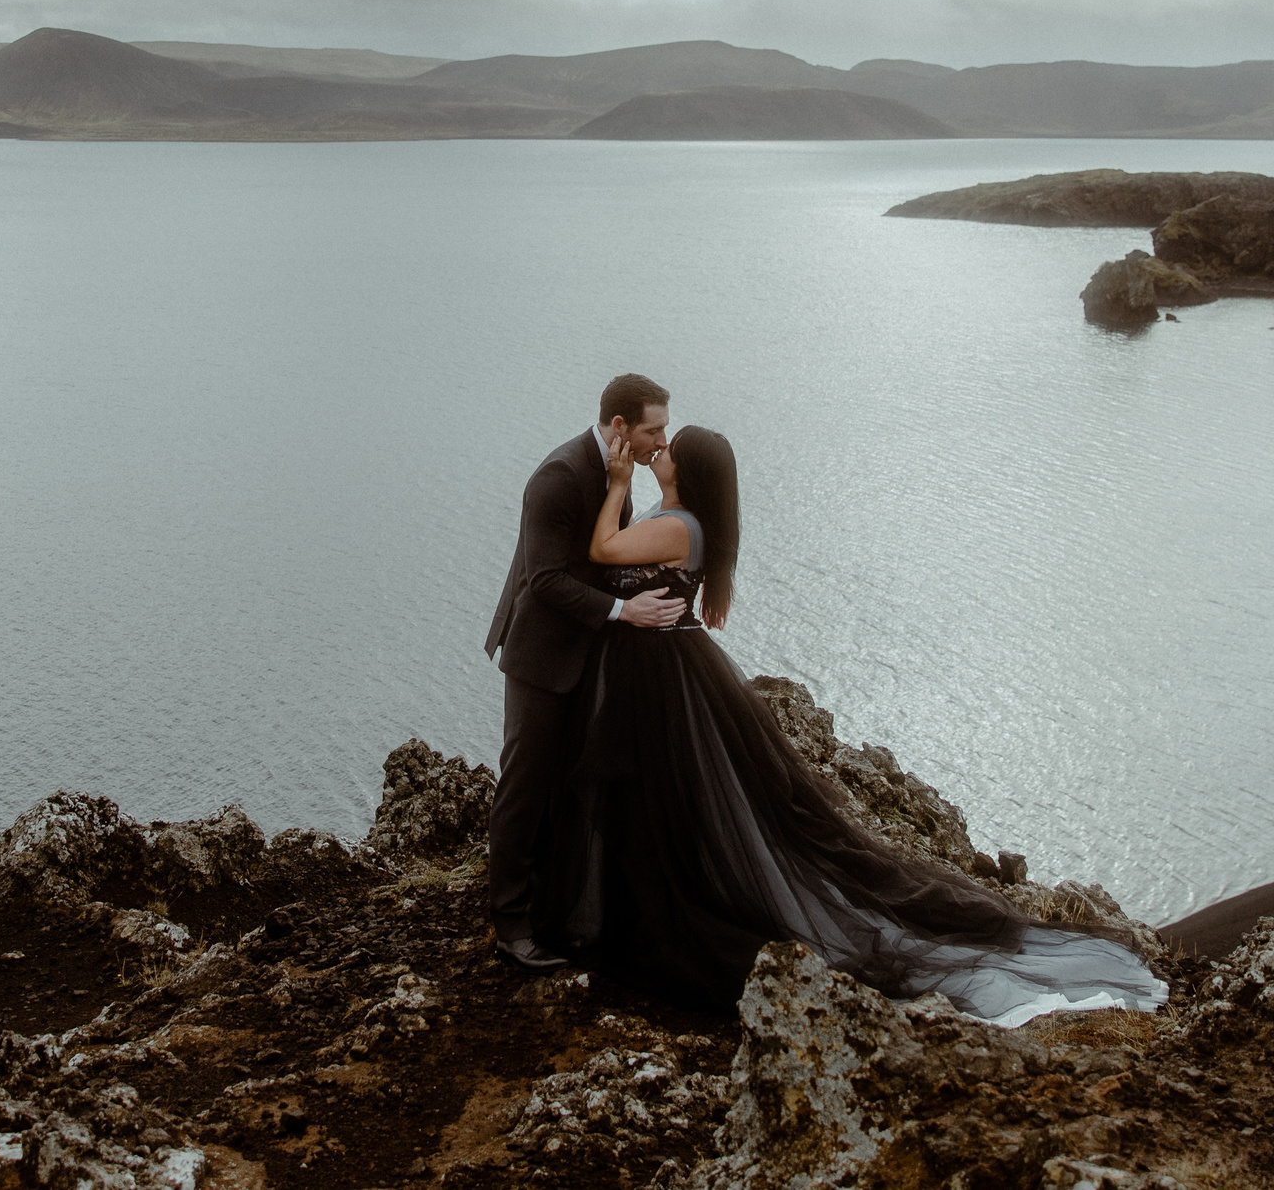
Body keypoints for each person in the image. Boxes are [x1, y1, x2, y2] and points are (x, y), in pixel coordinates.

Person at [535, 423, 1169, 1024]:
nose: (663, 446)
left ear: (687, 469)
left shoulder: (681, 526)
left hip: (667, 679)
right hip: (653, 674)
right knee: (664, 806)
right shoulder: (671, 516)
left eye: (674, 445)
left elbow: (600, 550)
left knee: (689, 809)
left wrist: (617, 483)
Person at [482, 373, 689, 971]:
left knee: (567, 787)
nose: (661, 439)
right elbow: (543, 579)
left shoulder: (618, 473)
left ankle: (553, 910)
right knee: (524, 787)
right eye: (654, 428)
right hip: (542, 658)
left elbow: (607, 553)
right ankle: (510, 928)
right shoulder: (559, 475)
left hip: (586, 654)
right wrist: (625, 611)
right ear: (620, 426)